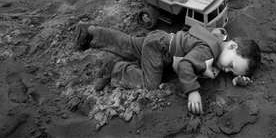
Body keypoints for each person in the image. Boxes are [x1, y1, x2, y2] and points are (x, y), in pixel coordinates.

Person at [74, 22, 261, 115]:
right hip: (160, 51)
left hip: (160, 38)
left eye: (230, 73)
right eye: (231, 66)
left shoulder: (218, 41)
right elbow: (186, 66)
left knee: (129, 45)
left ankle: (92, 33)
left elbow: (214, 35)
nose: (226, 71)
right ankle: (115, 68)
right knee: (150, 84)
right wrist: (193, 92)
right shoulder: (208, 51)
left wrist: (236, 77)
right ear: (232, 46)